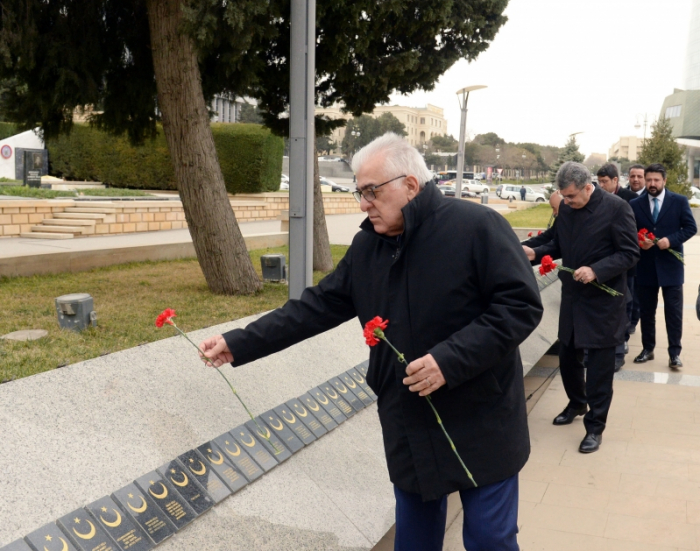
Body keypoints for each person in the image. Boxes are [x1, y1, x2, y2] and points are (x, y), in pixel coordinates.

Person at [200, 133, 543, 551]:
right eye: (359, 193)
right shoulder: (367, 247)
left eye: (370, 192)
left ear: (410, 186)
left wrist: (447, 361)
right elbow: (315, 306)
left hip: (483, 420)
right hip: (410, 425)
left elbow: (519, 307)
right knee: (414, 542)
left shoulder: (478, 227)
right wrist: (239, 343)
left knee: (490, 540)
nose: (363, 204)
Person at [523, 162, 638, 454]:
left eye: (572, 197)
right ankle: (577, 402)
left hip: (603, 301)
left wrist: (596, 270)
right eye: (564, 197)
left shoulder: (616, 208)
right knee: (567, 357)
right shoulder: (567, 208)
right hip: (573, 298)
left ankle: (595, 427)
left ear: (589, 187)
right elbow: (556, 242)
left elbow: (629, 253)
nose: (567, 202)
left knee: (599, 369)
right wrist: (534, 251)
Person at [630, 163, 697, 369]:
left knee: (673, 313)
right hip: (646, 268)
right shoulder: (635, 204)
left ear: (664, 181)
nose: (652, 184)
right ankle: (648, 349)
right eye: (648, 180)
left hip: (671, 268)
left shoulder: (679, 201)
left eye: (656, 180)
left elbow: (690, 228)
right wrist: (639, 242)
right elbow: (629, 231)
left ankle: (674, 353)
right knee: (647, 312)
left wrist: (671, 240)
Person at [597, 163, 638, 371]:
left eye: (605, 181)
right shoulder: (597, 201)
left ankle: (621, 345)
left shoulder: (629, 200)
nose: (601, 185)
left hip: (624, 262)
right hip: (605, 264)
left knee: (625, 303)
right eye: (599, 181)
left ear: (615, 181)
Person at [626, 164, 646, 333]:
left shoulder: (651, 196)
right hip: (626, 253)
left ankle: (634, 320)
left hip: (645, 253)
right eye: (633, 176)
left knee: (639, 291)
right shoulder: (623, 197)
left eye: (640, 176)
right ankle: (628, 321)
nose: (636, 179)